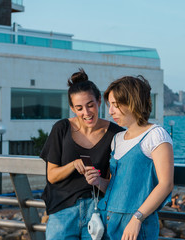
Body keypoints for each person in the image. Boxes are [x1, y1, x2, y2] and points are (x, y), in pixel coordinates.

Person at [40, 69, 123, 239]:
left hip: (99, 211)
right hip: (62, 213)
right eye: (79, 108)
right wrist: (72, 165)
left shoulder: (117, 134)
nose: (86, 113)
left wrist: (99, 181)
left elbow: (118, 183)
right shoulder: (61, 129)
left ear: (99, 101)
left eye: (90, 105)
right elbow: (52, 176)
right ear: (72, 108)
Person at [94, 75, 174, 239]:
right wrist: (98, 182)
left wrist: (137, 218)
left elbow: (166, 184)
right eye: (110, 105)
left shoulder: (155, 135)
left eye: (116, 105)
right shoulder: (117, 139)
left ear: (133, 102)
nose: (110, 112)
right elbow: (119, 187)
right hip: (107, 222)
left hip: (135, 226)